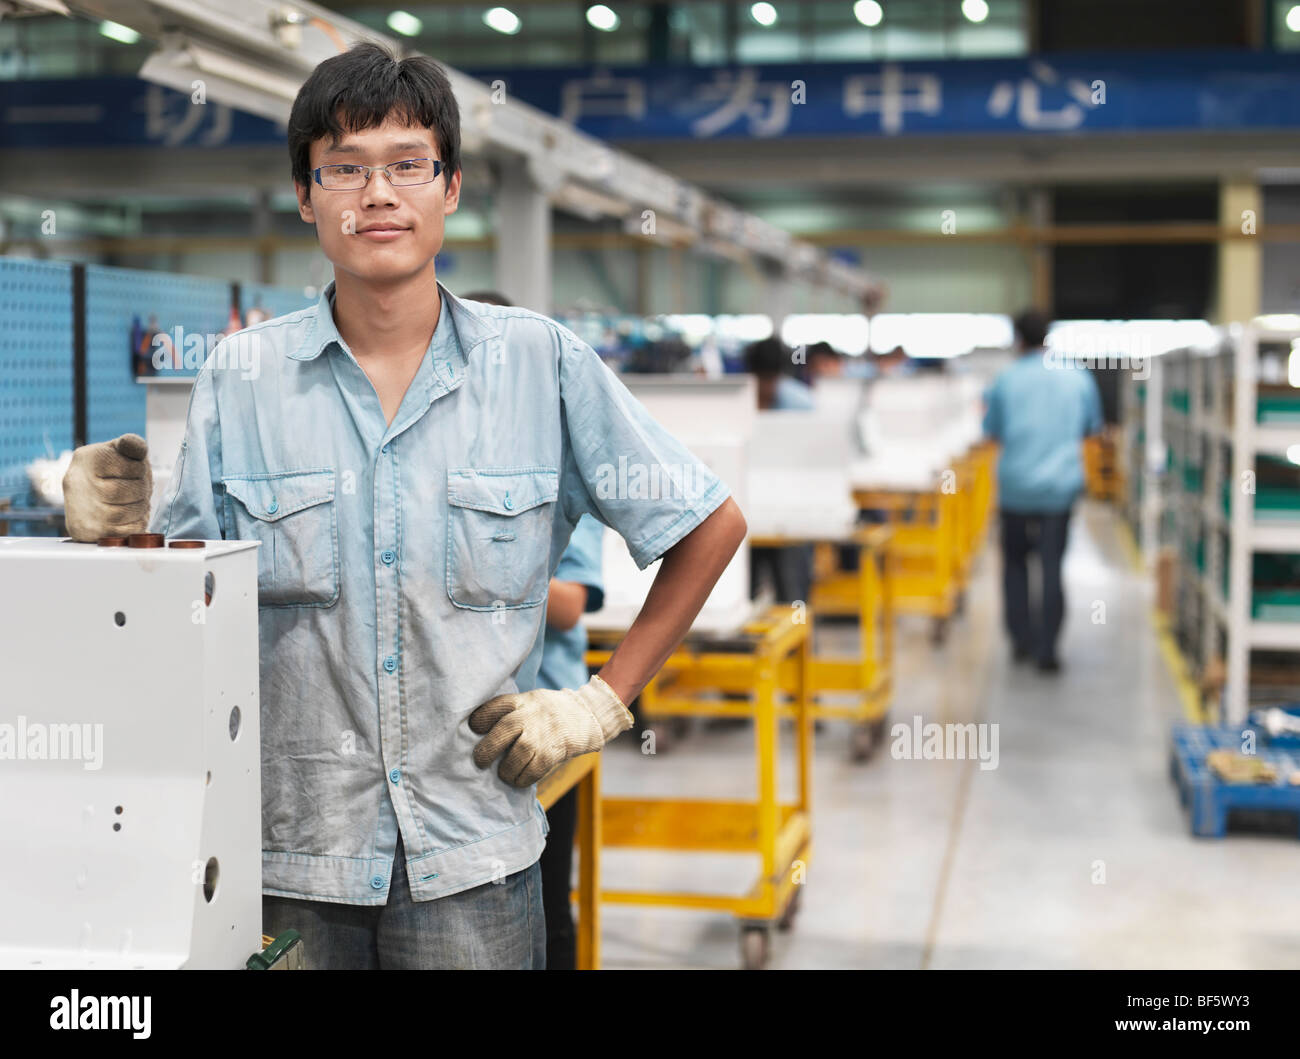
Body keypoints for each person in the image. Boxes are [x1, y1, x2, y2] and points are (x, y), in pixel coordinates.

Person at [60, 42, 746, 969]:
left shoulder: (539, 366)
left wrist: (599, 702)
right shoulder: (241, 378)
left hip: (476, 859)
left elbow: (710, 524)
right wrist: (117, 548)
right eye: (343, 168)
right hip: (292, 859)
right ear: (307, 196)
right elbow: (192, 611)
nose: (376, 194)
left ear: (450, 187)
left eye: (406, 166)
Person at [463, 288, 601, 971]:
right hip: (468, 735)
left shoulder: (551, 456)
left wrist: (482, 561)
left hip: (544, 724)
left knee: (546, 896)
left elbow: (574, 604)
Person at [983, 309, 1102, 673]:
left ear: (1017, 339)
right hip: (1058, 490)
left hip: (1016, 488)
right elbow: (1091, 428)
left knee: (1015, 565)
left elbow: (992, 431)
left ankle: (1021, 641)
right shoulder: (1076, 377)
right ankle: (1048, 649)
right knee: (1052, 567)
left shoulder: (1005, 381)